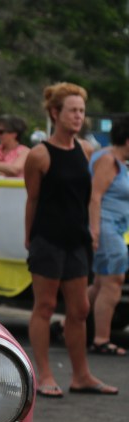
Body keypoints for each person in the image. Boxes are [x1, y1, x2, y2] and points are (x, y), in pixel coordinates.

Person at [23, 81, 116, 397]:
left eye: (81, 111)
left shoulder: (86, 150)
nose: (79, 116)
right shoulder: (39, 155)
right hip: (47, 238)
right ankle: (44, 375)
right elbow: (32, 200)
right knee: (45, 306)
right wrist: (29, 237)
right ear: (55, 113)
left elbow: (92, 196)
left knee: (79, 309)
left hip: (77, 240)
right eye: (73, 111)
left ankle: (82, 376)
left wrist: (93, 230)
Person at [86, 115, 129, 356]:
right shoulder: (109, 160)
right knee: (114, 282)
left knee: (101, 283)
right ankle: (101, 339)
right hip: (106, 229)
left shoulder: (115, 160)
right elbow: (95, 196)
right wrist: (95, 230)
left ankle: (65, 324)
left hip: (113, 228)